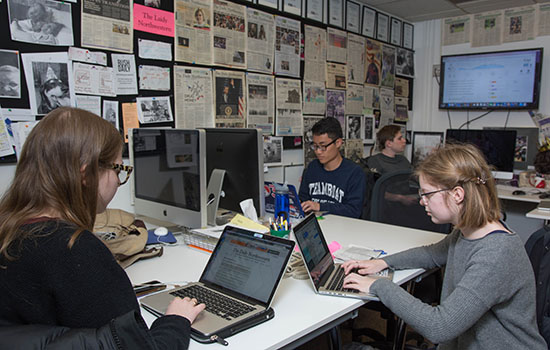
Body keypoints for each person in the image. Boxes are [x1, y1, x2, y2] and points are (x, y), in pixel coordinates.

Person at [0, 108, 205, 348]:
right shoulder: (75, 249)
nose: (119, 180)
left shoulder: (11, 228)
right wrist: (176, 320)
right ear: (86, 174)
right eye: (118, 168)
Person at [342, 143, 547, 349]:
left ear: (457, 194)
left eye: (427, 194)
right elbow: (431, 254)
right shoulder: (467, 232)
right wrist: (382, 262)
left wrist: (378, 285)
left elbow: (439, 326)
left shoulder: (496, 253)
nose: (422, 201)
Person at [298, 117, 366, 218]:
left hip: (342, 228)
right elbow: (303, 199)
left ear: (338, 143)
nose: (318, 151)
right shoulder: (312, 168)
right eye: (315, 146)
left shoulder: (354, 173)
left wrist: (320, 206)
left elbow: (353, 211)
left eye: (323, 146)